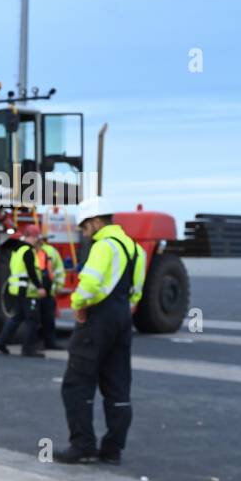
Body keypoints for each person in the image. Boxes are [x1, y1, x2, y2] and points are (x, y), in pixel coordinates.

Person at [57, 198, 147, 465]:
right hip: (121, 319)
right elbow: (137, 291)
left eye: (85, 227)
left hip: (97, 319)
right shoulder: (135, 249)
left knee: (76, 385)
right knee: (118, 387)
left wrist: (77, 305)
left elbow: (90, 283)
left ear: (96, 222)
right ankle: (112, 450)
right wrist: (123, 311)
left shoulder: (102, 246)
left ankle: (82, 446)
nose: (84, 233)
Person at [0, 224, 49, 357]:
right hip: (27, 291)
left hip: (18, 290)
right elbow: (31, 272)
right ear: (32, 237)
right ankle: (28, 349)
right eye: (36, 237)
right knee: (32, 320)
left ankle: (1, 342)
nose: (37, 240)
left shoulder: (17, 250)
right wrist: (40, 287)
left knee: (17, 317)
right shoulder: (28, 251)